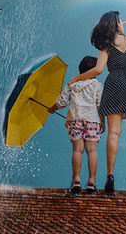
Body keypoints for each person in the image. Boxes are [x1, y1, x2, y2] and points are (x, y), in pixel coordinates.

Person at [69, 11, 126, 193]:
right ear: (117, 23)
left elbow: (98, 69)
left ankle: (110, 174)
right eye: (121, 20)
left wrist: (77, 77)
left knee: (113, 134)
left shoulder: (105, 47)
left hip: (115, 85)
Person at [48, 56, 104, 193]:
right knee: (92, 150)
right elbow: (100, 105)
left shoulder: (72, 85)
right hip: (92, 121)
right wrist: (103, 121)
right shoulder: (97, 85)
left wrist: (51, 109)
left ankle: (76, 179)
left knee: (77, 150)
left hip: (75, 120)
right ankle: (91, 181)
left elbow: (61, 102)